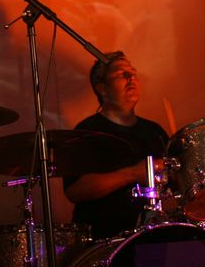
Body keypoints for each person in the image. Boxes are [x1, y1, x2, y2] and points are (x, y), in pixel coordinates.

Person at [64, 52, 169, 239]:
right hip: (106, 239)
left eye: (133, 73)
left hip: (155, 236)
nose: (131, 78)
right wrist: (134, 173)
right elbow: (75, 190)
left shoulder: (155, 131)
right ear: (102, 88)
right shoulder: (87, 131)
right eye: (121, 74)